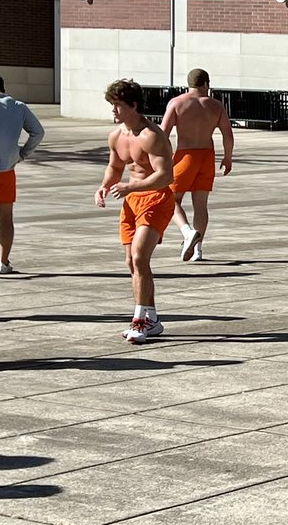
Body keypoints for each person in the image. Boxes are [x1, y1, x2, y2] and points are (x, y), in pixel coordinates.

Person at [95, 79, 175, 344]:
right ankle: (151, 319)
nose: (114, 111)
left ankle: (140, 321)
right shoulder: (117, 135)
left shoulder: (151, 135)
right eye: (112, 106)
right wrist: (104, 186)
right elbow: (115, 167)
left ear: (134, 105)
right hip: (131, 201)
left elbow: (165, 176)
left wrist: (132, 187)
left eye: (118, 106)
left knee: (140, 257)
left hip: (155, 198)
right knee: (132, 262)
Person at [0, 74, 45, 278]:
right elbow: (37, 132)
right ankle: (3, 262)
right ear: (2, 88)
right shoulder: (18, 105)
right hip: (7, 170)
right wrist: (22, 154)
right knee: (6, 218)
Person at [162, 68, 235, 262]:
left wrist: (163, 158)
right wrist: (228, 157)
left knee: (170, 199)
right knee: (200, 204)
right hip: (207, 156)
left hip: (185, 155)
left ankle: (187, 232)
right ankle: (198, 250)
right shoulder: (216, 106)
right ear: (205, 84)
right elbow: (228, 133)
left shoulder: (177, 103)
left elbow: (163, 133)